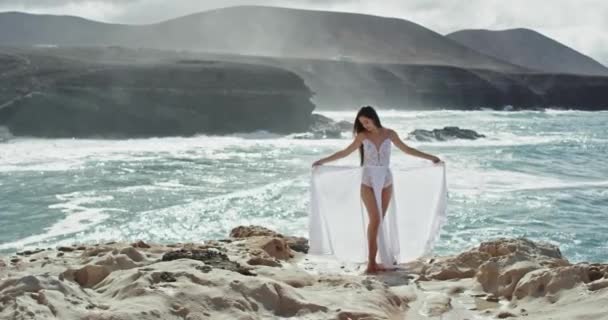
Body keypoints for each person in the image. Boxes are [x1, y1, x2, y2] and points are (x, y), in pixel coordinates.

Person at [312, 106, 443, 274]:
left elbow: (407, 149)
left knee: (379, 220)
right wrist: (322, 161)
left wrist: (431, 157)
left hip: (386, 180)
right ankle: (371, 263)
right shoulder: (362, 136)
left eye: (366, 121)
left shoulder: (390, 134)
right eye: (362, 123)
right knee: (374, 219)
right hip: (367, 180)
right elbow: (345, 152)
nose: (365, 125)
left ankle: (381, 259)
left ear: (374, 118)